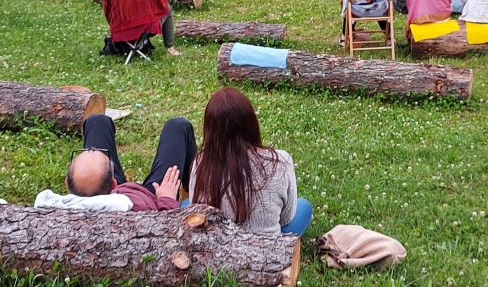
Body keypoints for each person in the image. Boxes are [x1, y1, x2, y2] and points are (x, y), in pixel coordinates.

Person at [189, 87, 312, 235]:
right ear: (251, 122)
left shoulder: (200, 163)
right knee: (304, 206)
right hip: (265, 248)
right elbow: (286, 218)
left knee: (185, 205)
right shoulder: (281, 161)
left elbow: (197, 212)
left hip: (217, 248)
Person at [35, 114, 197, 211]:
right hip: (155, 197)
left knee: (96, 121)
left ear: (67, 184)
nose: (93, 150)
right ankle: (189, 187)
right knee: (178, 126)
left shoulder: (53, 206)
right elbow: (164, 230)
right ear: (113, 184)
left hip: (117, 192)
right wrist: (167, 199)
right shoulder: (135, 213)